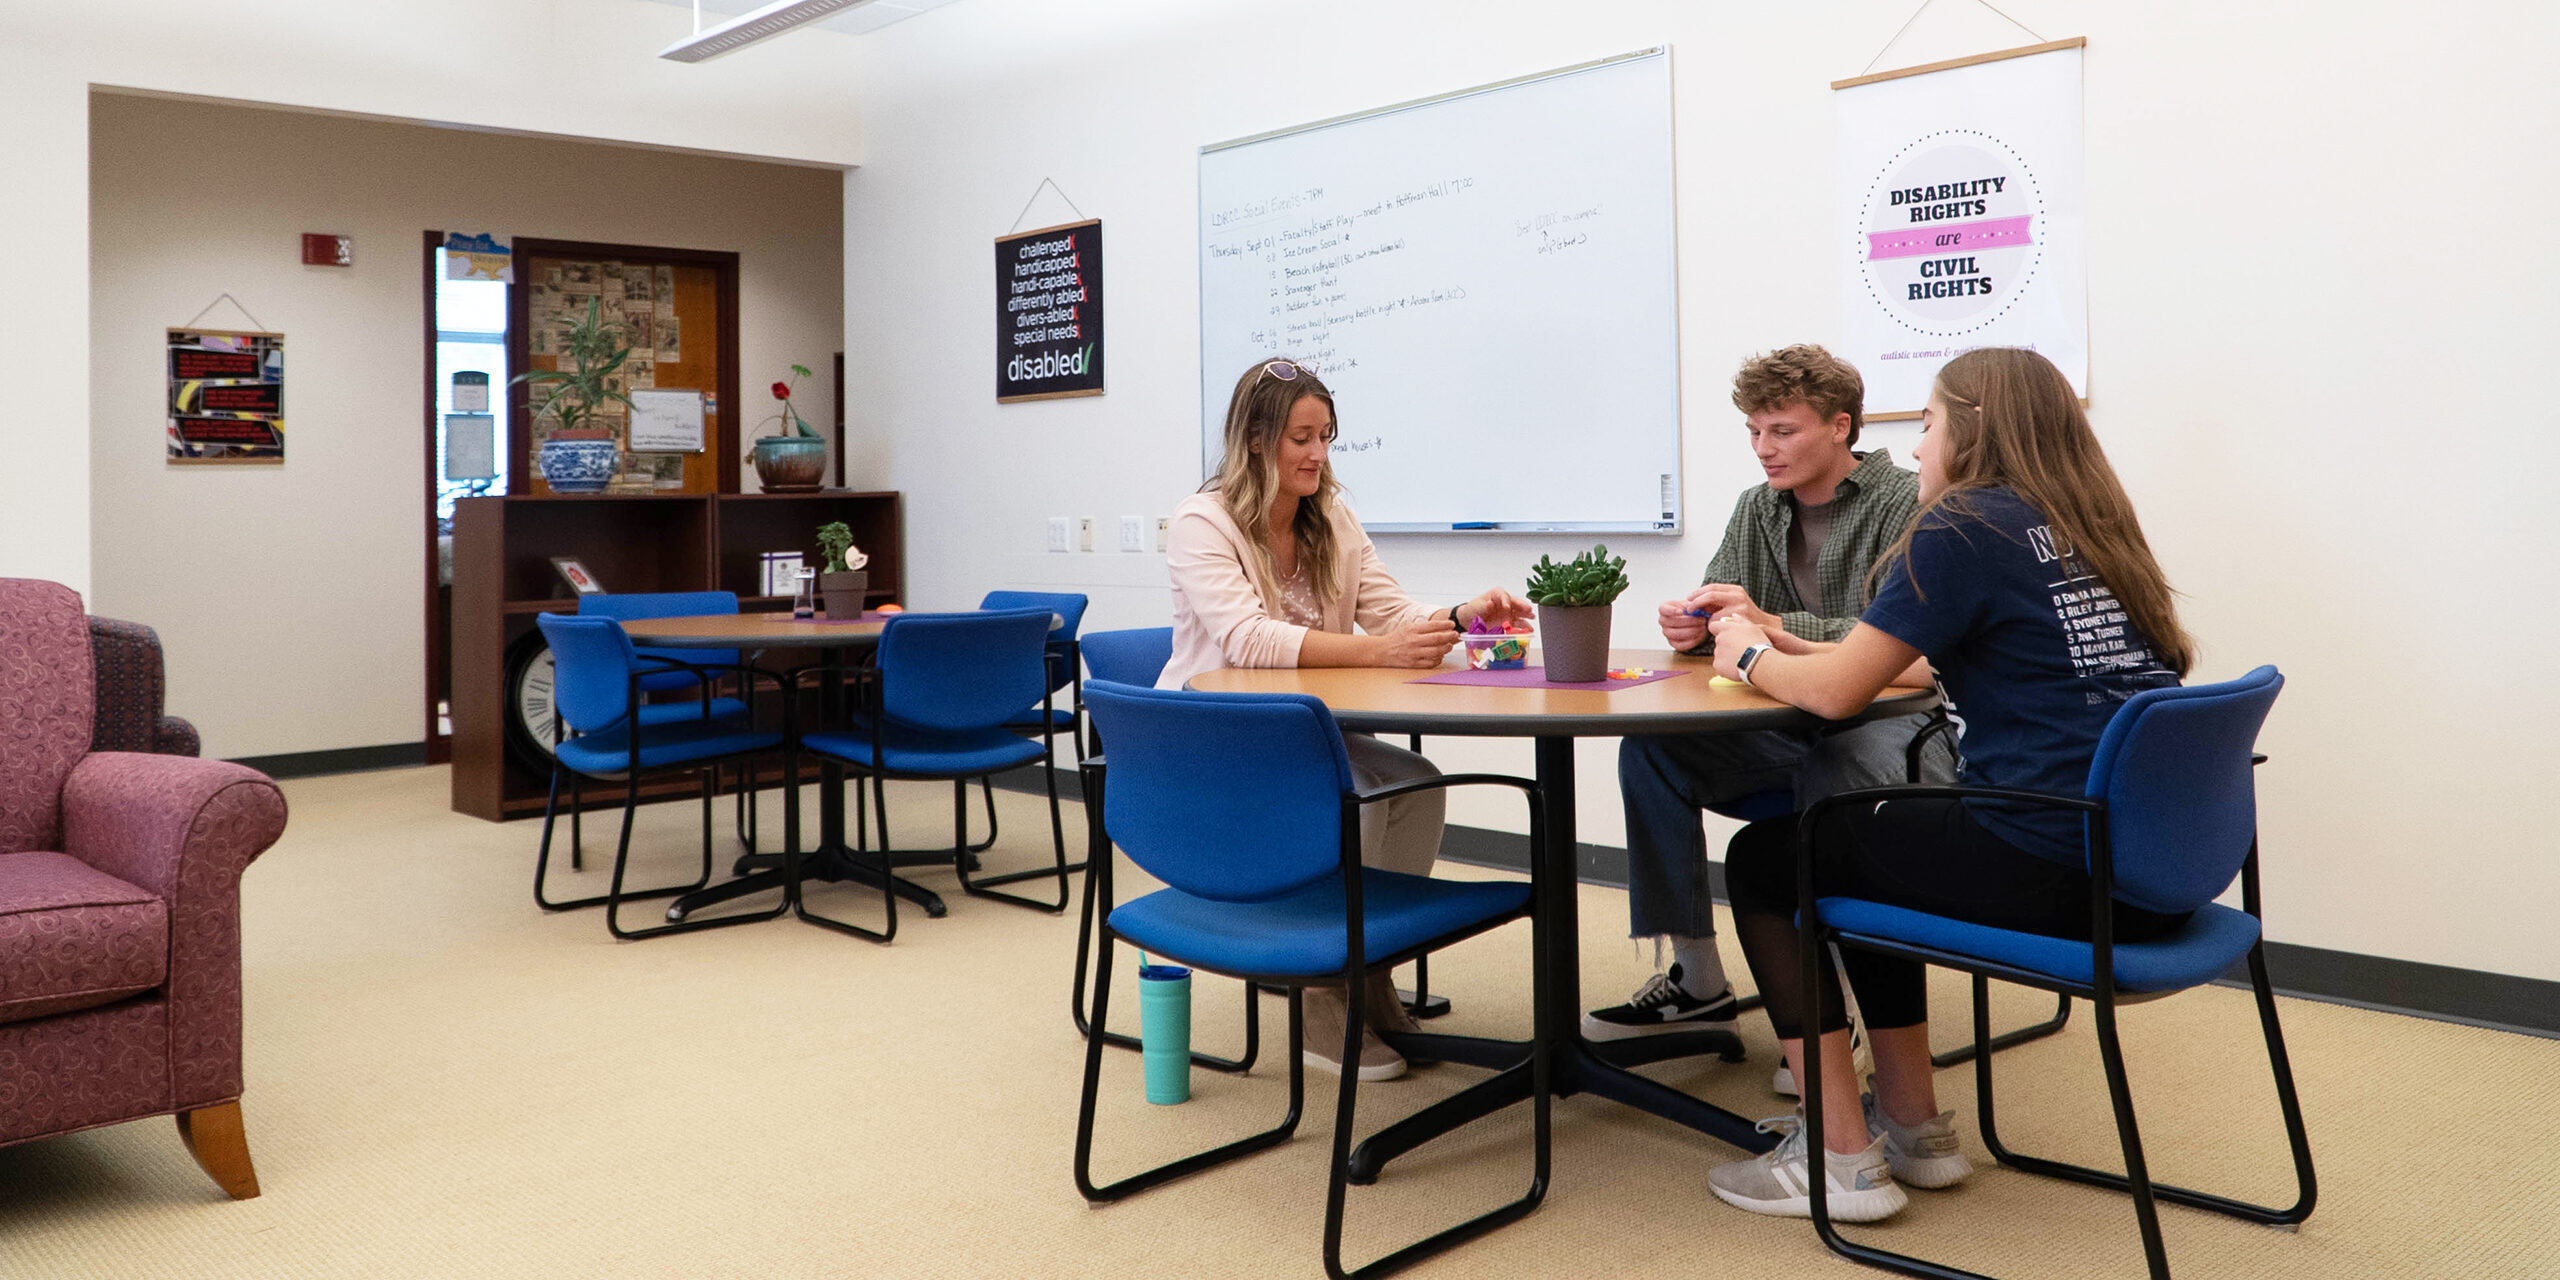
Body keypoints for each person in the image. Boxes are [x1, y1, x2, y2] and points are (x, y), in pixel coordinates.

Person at [1699, 347, 2192, 1222]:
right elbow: (1906, 658)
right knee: (1871, 846)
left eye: (1926, 423)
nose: (1919, 446)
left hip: (2050, 862)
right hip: (2155, 874)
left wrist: (1746, 652)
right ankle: (1916, 1129)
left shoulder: (1962, 525)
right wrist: (1802, 644)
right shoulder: (2086, 524)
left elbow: (1837, 694)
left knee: (1774, 860)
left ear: (1972, 426)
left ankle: (1838, 1158)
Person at [1161, 357, 1536, 1082]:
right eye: (1302, 437)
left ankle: (1366, 968)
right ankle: (1324, 996)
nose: (1318, 454)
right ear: (1257, 440)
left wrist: (1460, 615)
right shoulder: (1201, 523)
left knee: (1416, 782)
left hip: (1308, 733)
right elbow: (1249, 640)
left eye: (1327, 436)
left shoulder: (1331, 514)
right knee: (1351, 800)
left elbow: (1391, 614)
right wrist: (1380, 651)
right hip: (1219, 742)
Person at [1585, 346, 1949, 1053]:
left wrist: (1774, 628)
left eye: (1782, 431)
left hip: (1888, 725)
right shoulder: (1757, 508)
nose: (1763, 449)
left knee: (1836, 764)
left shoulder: (1906, 501)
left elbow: (1899, 644)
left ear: (1841, 425)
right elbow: (1733, 618)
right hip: (1790, 721)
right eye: (1754, 432)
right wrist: (1696, 624)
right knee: (1652, 752)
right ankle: (1697, 980)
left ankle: (1829, 1001)